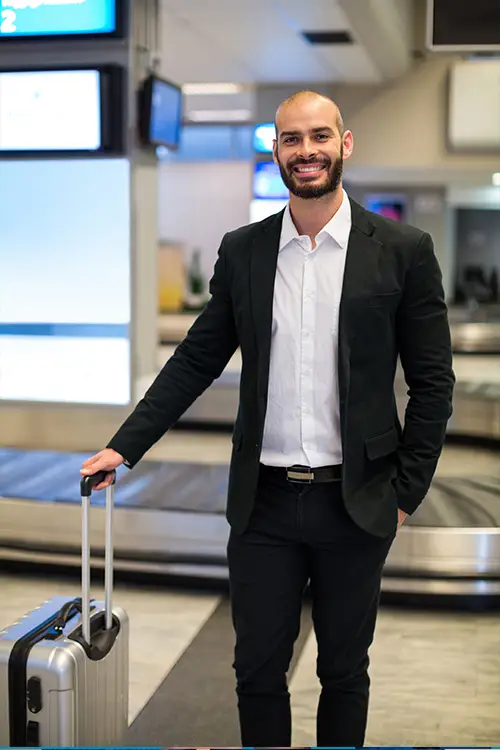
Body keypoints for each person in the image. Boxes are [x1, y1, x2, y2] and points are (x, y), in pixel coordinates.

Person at [81, 91, 455, 747]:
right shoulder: (246, 250)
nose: (305, 150)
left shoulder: (402, 249)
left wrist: (405, 493)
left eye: (318, 136)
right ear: (275, 150)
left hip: (359, 500)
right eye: (290, 139)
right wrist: (126, 447)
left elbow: (432, 382)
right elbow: (196, 358)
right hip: (265, 505)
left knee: (344, 670)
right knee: (255, 671)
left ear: (344, 144)